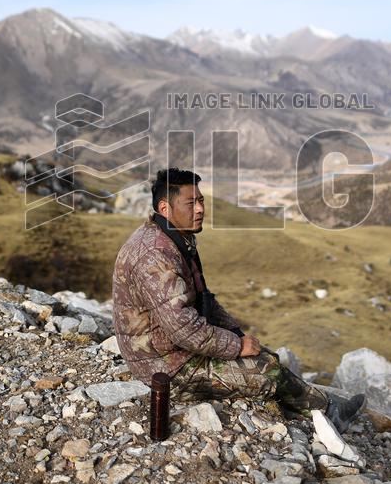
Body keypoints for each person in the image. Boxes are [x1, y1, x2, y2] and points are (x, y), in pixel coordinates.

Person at [111, 167, 364, 431]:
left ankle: (308, 405)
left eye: (201, 201)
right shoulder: (155, 255)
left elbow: (201, 298)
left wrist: (235, 332)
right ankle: (330, 412)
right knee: (266, 371)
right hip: (164, 368)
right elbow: (182, 328)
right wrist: (235, 346)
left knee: (263, 355)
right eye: (190, 203)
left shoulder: (174, 238)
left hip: (169, 351)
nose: (199, 209)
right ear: (165, 208)